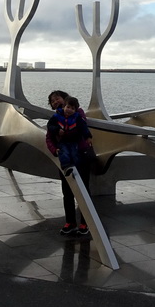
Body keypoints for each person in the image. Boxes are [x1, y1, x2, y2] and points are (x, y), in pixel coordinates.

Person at [45, 90, 93, 238]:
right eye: (52, 101)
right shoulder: (55, 118)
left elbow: (81, 129)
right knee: (67, 191)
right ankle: (70, 222)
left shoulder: (78, 113)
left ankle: (86, 223)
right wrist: (56, 150)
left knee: (83, 190)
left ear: (65, 99)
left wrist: (65, 134)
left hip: (81, 156)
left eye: (57, 98)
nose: (55, 102)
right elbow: (48, 137)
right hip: (64, 157)